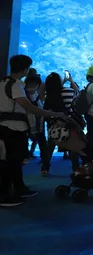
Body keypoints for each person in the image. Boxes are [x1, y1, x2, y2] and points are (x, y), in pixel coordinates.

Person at [0, 55, 63, 207]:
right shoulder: (16, 85)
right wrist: (52, 113)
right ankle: (4, 196)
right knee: (11, 161)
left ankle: (19, 188)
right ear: (25, 69)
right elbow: (29, 107)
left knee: (14, 161)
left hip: (6, 127)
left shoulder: (2, 82)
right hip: (13, 128)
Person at [41, 72, 81, 175]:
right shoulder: (68, 91)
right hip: (67, 122)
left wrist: (61, 82)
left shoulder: (48, 94)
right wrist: (70, 80)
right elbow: (78, 93)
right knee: (72, 146)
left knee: (50, 146)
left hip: (53, 123)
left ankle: (45, 168)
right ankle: (76, 169)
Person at [24, 73, 44, 162]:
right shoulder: (34, 93)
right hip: (31, 121)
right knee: (35, 139)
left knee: (30, 138)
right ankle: (29, 153)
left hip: (29, 121)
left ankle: (28, 153)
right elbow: (40, 106)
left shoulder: (23, 92)